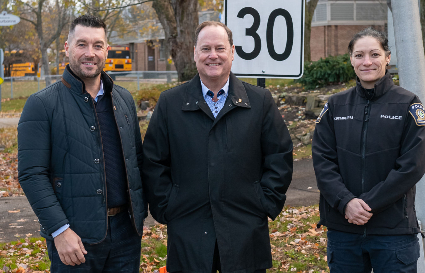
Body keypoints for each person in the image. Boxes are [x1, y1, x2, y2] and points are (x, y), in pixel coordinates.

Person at [142, 21, 294, 273]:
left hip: (245, 229)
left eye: (220, 48)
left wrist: (264, 200)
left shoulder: (259, 101)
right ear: (195, 53)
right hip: (188, 228)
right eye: (206, 49)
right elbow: (153, 161)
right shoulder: (170, 103)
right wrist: (168, 206)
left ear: (232, 52)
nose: (213, 55)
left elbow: (279, 156)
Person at [18, 14, 146, 272]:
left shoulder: (123, 100)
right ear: (67, 48)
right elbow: (32, 174)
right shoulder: (42, 104)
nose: (90, 53)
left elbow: (136, 162)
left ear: (107, 50)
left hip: (126, 235)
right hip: (74, 238)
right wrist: (59, 230)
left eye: (98, 45)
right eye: (82, 44)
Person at [312, 27, 425, 273]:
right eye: (359, 55)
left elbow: (412, 166)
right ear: (351, 60)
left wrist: (366, 205)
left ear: (387, 57)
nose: (367, 62)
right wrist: (346, 203)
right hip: (344, 231)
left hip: (393, 232)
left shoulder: (408, 104)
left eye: (374, 54)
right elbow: (323, 163)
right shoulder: (335, 106)